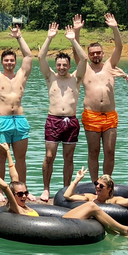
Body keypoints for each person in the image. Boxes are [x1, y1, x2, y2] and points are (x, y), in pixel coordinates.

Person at [0, 154, 128, 235]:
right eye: (20, 194)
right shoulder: (15, 208)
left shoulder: (22, 203)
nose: (24, 196)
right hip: (56, 226)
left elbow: (14, 178)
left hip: (61, 221)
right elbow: (6, 186)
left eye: (26, 193)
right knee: (91, 206)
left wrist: (7, 153)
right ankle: (126, 230)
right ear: (13, 197)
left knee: (91, 208)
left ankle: (116, 232)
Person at [37, 22, 87, 202]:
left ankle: (67, 189)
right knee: (49, 156)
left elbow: (85, 59)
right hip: (53, 120)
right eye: (59, 64)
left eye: (64, 64)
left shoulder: (76, 78)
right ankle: (46, 189)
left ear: (69, 65)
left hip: (71, 122)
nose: (61, 67)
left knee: (68, 157)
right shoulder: (50, 77)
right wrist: (49, 37)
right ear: (56, 65)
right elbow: (41, 57)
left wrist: (73, 40)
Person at [0, 21, 34, 200]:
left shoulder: (21, 75)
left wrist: (19, 37)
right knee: (1, 158)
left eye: (12, 60)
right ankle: (0, 191)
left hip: (19, 121)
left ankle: (23, 191)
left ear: (15, 61)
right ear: (2, 62)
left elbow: (28, 56)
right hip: (2, 120)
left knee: (21, 159)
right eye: (6, 60)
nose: (9, 62)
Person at [75, 13, 123, 179]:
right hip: (91, 115)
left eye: (98, 53)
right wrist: (77, 31)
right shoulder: (84, 67)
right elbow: (76, 51)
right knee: (93, 151)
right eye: (92, 53)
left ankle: (107, 181)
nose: (95, 55)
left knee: (110, 151)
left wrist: (114, 28)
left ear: (103, 54)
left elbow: (119, 47)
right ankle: (96, 183)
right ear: (88, 55)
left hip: (109, 115)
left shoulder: (110, 65)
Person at [62, 167, 128, 208]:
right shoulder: (90, 197)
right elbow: (67, 196)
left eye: (101, 186)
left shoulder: (114, 200)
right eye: (96, 183)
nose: (97, 186)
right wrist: (76, 180)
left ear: (109, 189)